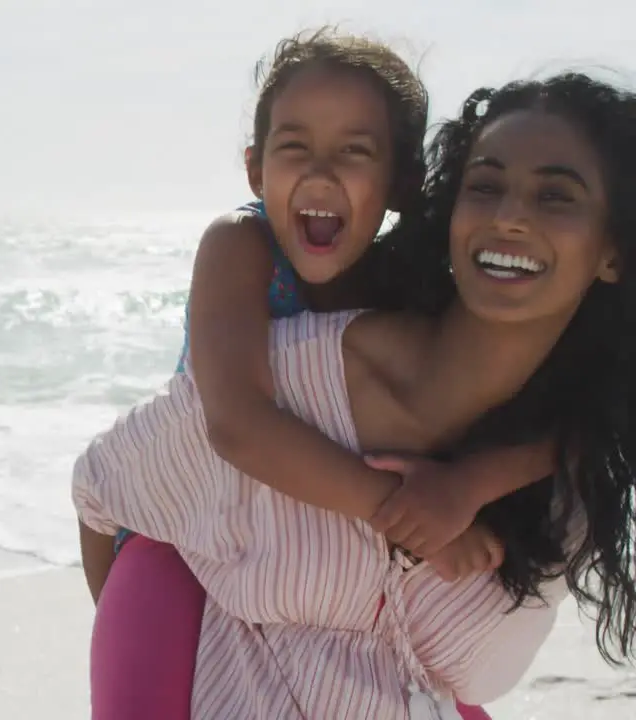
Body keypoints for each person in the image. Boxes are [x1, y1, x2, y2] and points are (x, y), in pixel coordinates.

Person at [74, 70, 636, 717]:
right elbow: (106, 486)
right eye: (484, 187)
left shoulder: (569, 480)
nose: (509, 217)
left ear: (614, 250)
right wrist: (147, 637)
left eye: (556, 197)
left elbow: (467, 683)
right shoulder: (298, 362)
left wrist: (469, 486)